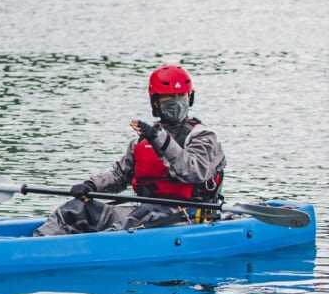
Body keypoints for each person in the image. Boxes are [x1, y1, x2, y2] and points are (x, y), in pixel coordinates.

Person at [34, 64, 225, 236]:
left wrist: (159, 138)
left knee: (135, 219)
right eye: (168, 97)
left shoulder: (203, 136)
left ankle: (93, 248)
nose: (176, 102)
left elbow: (194, 172)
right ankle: (36, 246)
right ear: (156, 103)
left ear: (189, 98)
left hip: (186, 215)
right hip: (144, 210)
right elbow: (118, 176)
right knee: (74, 210)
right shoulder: (142, 140)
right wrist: (91, 186)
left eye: (181, 96)